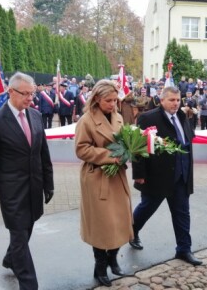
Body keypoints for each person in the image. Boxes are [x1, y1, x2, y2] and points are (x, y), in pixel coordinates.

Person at [0, 72, 54, 290]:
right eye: (26, 94)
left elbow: (43, 154)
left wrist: (49, 183)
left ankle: (10, 258)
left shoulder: (36, 116)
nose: (31, 98)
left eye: (33, 93)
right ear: (11, 92)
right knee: (19, 234)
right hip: (11, 192)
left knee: (27, 228)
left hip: (34, 187)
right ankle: (29, 284)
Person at [130, 86, 202, 266]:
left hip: (181, 176)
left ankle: (184, 249)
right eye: (171, 100)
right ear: (161, 100)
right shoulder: (148, 118)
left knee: (182, 214)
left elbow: (187, 143)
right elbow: (138, 146)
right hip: (157, 177)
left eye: (178, 100)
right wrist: (139, 174)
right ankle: (131, 232)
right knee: (147, 208)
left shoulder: (182, 116)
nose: (176, 103)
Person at [74, 80, 133, 287]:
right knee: (102, 225)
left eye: (115, 100)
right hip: (97, 177)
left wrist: (131, 149)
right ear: (97, 99)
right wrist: (111, 156)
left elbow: (124, 139)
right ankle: (100, 266)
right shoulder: (86, 120)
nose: (113, 104)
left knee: (119, 221)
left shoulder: (117, 116)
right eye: (108, 100)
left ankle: (113, 259)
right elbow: (81, 149)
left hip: (117, 176)